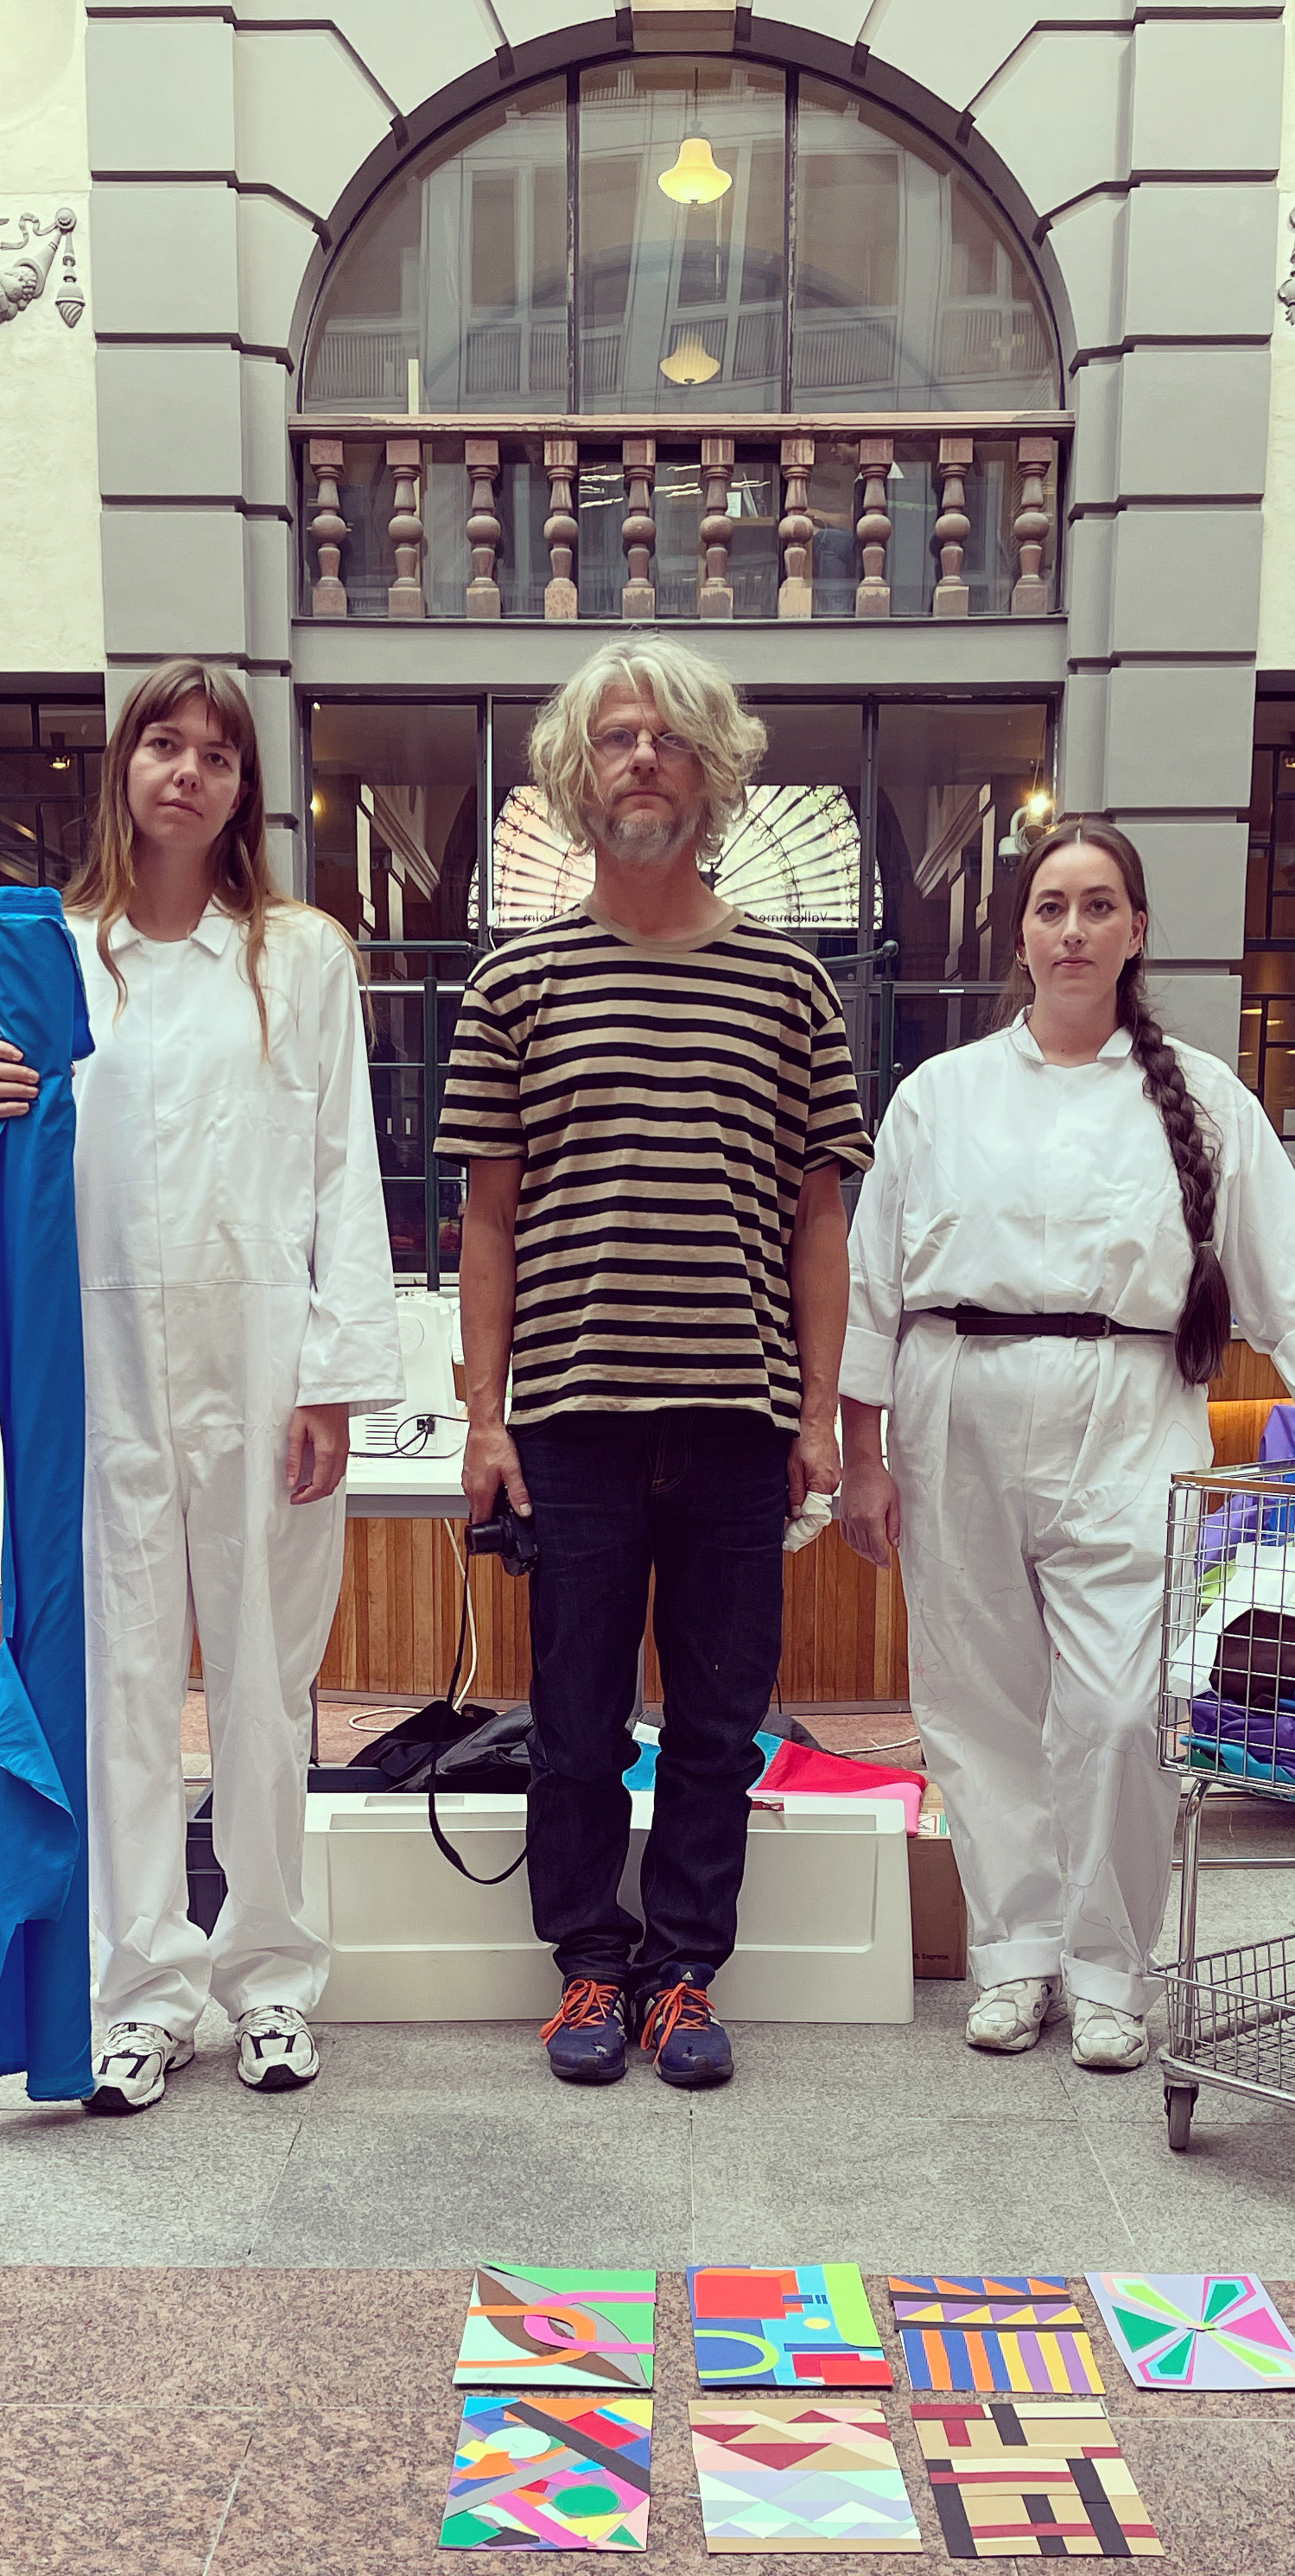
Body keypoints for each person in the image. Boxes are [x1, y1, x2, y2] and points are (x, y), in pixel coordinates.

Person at [839, 817, 1295, 2069]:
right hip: (953, 1395)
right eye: (1049, 907)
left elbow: (1292, 1272)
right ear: (1019, 934)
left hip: (1129, 1409)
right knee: (977, 1702)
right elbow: (871, 1286)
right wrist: (860, 1452)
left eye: (1098, 907)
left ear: (1134, 930)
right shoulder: (940, 1096)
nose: (1072, 930)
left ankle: (1113, 1965)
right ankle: (1016, 1956)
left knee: (1122, 1707)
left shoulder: (1205, 1099)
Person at [441, 638, 871, 2091]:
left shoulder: (788, 988)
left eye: (668, 740)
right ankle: (583, 1966)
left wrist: (816, 1412)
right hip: (566, 1424)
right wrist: (481, 1418)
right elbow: (484, 1221)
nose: (641, 759)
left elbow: (821, 1220)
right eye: (615, 738)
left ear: (713, 773)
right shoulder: (513, 986)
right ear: (574, 775)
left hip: (739, 1422)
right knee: (569, 1722)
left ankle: (681, 1973)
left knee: (714, 1719)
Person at [0, 660, 401, 2109]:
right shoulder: (58, 951)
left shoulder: (300, 956)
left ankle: (269, 1979)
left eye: (217, 754)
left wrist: (335, 1378)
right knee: (125, 1685)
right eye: (163, 743)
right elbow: (24, 1171)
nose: (188, 771)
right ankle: (141, 1988)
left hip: (262, 1359)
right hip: (107, 1376)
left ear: (243, 791)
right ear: (123, 768)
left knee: (268, 1690)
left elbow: (345, 1166)